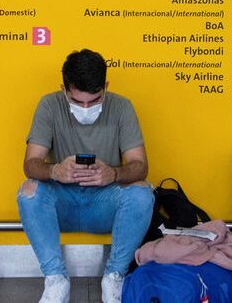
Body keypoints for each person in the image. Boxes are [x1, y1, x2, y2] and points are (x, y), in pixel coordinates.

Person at [17, 49, 154, 303]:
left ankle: (114, 277)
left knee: (143, 192)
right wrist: (54, 170)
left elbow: (140, 166)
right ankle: (56, 281)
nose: (86, 108)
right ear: (64, 89)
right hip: (62, 205)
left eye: (94, 100)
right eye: (78, 102)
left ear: (106, 87)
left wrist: (113, 173)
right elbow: (30, 164)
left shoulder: (122, 106)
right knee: (29, 190)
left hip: (105, 204)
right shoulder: (49, 105)